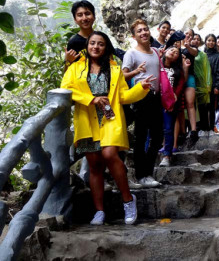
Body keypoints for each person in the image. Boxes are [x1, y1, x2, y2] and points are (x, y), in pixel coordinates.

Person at [61, 31, 155, 225]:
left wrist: (141, 88)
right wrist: (91, 99)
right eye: (92, 43)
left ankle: (128, 200)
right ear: (87, 46)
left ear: (106, 47)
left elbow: (123, 96)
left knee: (110, 155)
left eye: (100, 44)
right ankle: (99, 211)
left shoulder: (114, 69)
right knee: (94, 165)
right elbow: (67, 90)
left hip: (109, 119)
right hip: (87, 120)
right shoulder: (75, 68)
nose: (96, 47)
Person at [122, 19, 163, 188]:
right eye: (139, 31)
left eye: (145, 29)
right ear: (134, 36)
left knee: (158, 137)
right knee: (141, 137)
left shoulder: (155, 51)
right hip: (141, 96)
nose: (144, 33)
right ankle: (141, 175)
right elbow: (122, 77)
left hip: (155, 97)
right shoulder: (131, 54)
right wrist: (136, 72)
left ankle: (148, 173)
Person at [159, 47, 190, 167]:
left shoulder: (178, 70)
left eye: (176, 52)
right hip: (156, 100)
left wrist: (173, 97)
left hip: (170, 102)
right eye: (171, 50)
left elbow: (181, 83)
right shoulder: (157, 65)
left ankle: (167, 155)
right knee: (154, 128)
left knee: (168, 128)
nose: (173, 52)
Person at [204, 34, 219, 132]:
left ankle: (211, 127)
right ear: (205, 42)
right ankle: (203, 128)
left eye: (213, 40)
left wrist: (218, 86)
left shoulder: (217, 56)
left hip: (213, 85)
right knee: (202, 107)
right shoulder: (202, 54)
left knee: (212, 107)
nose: (211, 42)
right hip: (202, 86)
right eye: (209, 40)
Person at [191, 34, 212, 132]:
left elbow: (207, 69)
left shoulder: (203, 55)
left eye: (198, 39)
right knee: (191, 108)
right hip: (191, 84)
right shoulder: (186, 52)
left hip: (202, 85)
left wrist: (208, 84)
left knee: (203, 109)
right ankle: (193, 129)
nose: (195, 41)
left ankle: (205, 130)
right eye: (194, 38)